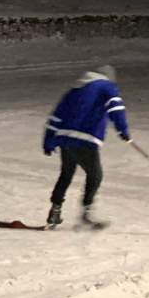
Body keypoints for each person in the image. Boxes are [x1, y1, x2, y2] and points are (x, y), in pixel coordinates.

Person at [43, 65, 131, 229]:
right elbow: (116, 107)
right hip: (85, 139)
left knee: (66, 174)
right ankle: (86, 213)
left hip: (65, 137)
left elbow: (56, 115)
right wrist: (123, 130)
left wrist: (48, 140)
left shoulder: (75, 90)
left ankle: (55, 211)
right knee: (95, 175)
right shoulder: (107, 86)